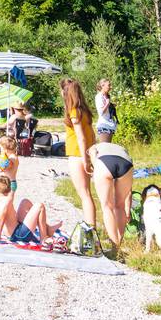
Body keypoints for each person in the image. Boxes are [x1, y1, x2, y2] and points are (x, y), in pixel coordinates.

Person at [60, 78, 98, 230]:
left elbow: (81, 137)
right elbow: (92, 135)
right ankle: (91, 227)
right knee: (87, 193)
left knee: (85, 195)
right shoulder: (85, 111)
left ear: (66, 92)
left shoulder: (74, 111)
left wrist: (85, 159)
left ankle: (90, 229)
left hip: (77, 154)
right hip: (86, 152)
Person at [0, 175, 54, 247]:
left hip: (13, 231)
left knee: (25, 202)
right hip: (19, 235)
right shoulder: (7, 200)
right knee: (40, 206)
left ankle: (47, 228)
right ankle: (43, 238)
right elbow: (1, 216)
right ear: (9, 189)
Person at [89, 140, 134, 247]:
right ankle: (120, 241)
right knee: (120, 205)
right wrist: (128, 207)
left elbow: (94, 161)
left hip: (104, 163)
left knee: (107, 207)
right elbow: (129, 190)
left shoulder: (93, 147)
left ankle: (115, 245)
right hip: (126, 163)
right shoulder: (120, 147)